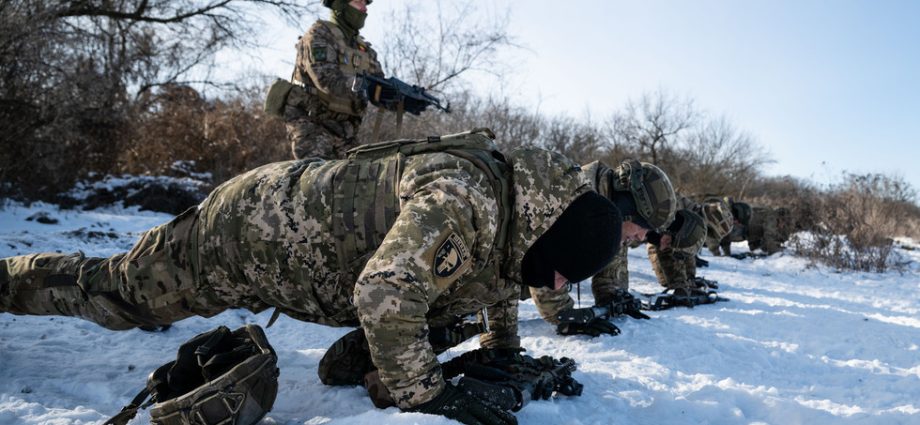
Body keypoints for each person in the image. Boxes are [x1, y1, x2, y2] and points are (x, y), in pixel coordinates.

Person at [1, 129, 630, 425]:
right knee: (119, 296)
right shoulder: (464, 200)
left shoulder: (523, 214)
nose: (547, 290)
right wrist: (430, 395)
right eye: (551, 275)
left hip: (307, 263)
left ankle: (357, 362)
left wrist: (504, 350)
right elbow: (384, 291)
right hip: (247, 233)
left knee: (444, 306)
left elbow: (497, 275)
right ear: (549, 236)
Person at [525, 160, 687, 336]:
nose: (641, 237)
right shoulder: (574, 197)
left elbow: (612, 261)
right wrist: (564, 314)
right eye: (642, 225)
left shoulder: (615, 214)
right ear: (627, 207)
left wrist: (613, 298)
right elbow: (545, 259)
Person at [283, 0, 384, 159]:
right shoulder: (318, 35)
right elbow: (326, 81)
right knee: (318, 179)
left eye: (366, 3)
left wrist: (399, 97)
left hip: (345, 130)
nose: (364, 8)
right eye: (358, 2)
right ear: (340, 5)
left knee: (359, 178)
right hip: (312, 124)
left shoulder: (364, 49)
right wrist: (363, 87)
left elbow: (379, 85)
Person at [647, 196, 734, 295]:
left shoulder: (692, 216)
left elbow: (687, 251)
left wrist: (689, 278)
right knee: (666, 280)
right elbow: (661, 246)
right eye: (709, 232)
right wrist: (678, 282)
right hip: (636, 230)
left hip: (643, 232)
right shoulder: (677, 210)